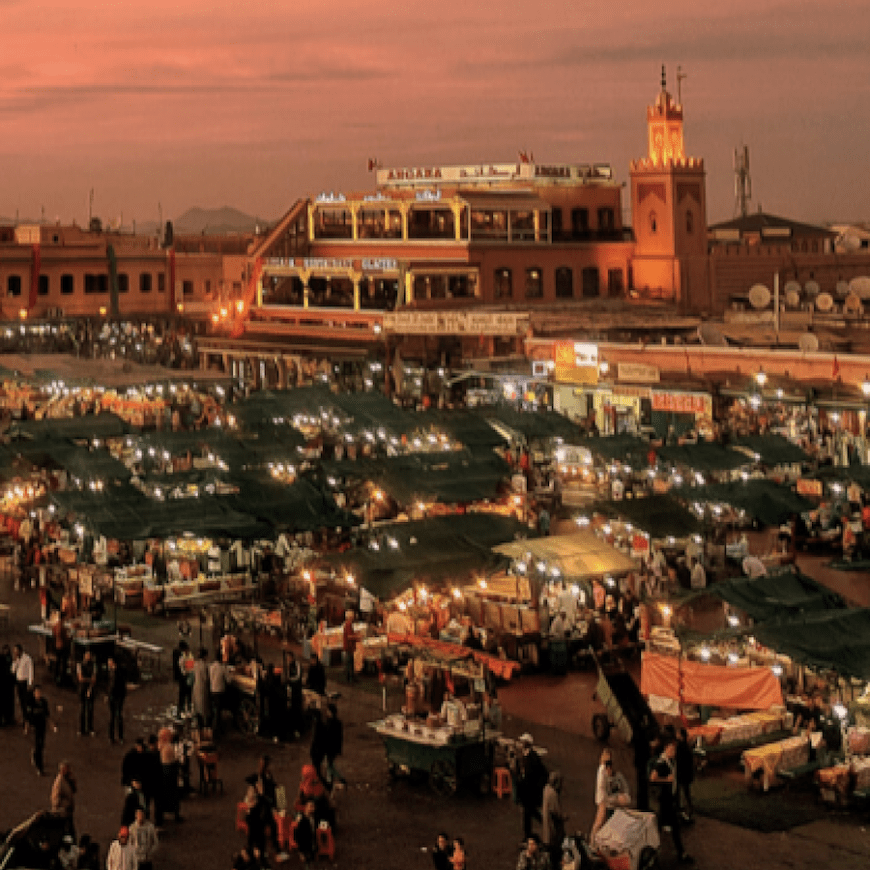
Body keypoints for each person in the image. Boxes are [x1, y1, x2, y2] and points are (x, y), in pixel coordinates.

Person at [649, 738, 692, 864]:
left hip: (669, 801)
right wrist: (666, 780)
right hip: (665, 802)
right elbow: (653, 778)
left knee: (668, 828)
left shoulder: (670, 762)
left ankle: (656, 854)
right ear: (666, 749)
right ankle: (657, 854)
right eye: (672, 749)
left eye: (674, 750)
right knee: (667, 828)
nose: (674, 752)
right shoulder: (662, 763)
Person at [516, 733, 548, 840]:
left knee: (528, 814)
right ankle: (531, 832)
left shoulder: (532, 758)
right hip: (527, 792)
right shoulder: (526, 756)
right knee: (530, 813)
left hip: (530, 792)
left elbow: (535, 775)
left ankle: (528, 835)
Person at [28, 684, 57, 776]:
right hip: (35, 726)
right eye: (36, 692)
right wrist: (27, 726)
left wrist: (51, 725)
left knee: (41, 744)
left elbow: (47, 714)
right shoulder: (31, 702)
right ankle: (39, 767)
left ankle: (35, 756)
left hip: (42, 726)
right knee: (38, 745)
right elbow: (28, 716)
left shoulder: (44, 702)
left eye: (39, 692)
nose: (38, 694)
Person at [541, 771, 566, 870]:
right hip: (553, 830)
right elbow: (557, 813)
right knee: (555, 852)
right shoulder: (553, 794)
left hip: (547, 826)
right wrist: (564, 816)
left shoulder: (546, 789)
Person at [51, 760, 77, 839]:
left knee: (69, 830)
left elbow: (75, 790)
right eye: (66, 769)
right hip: (62, 812)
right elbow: (55, 798)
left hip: (68, 811)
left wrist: (72, 780)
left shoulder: (67, 780)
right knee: (67, 830)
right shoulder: (59, 782)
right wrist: (57, 809)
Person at [323, 702, 346, 790]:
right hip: (333, 748)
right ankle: (337, 779)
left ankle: (332, 781)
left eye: (328, 711)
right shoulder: (335, 722)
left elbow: (331, 737)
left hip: (330, 748)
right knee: (330, 765)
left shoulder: (331, 723)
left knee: (329, 765)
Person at [675, 727, 695, 822]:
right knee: (686, 792)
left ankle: (683, 809)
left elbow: (680, 761)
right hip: (686, 773)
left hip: (681, 773)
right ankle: (688, 807)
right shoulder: (686, 747)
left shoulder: (680, 747)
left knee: (680, 791)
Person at [12, 643, 34, 726]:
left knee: (27, 701)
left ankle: (29, 719)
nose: (15, 653)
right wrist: (15, 661)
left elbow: (30, 671)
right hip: (18, 682)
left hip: (25, 682)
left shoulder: (27, 658)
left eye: (16, 651)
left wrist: (30, 683)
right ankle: (25, 718)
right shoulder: (17, 659)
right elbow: (13, 670)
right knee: (21, 701)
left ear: (20, 650)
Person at [76, 649, 97, 736]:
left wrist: (87, 680)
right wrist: (89, 680)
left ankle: (90, 728)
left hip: (90, 689)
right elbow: (80, 678)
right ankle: (82, 729)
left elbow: (93, 678)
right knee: (82, 709)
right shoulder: (80, 664)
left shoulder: (93, 665)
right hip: (83, 689)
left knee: (90, 710)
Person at [107, 657, 127, 745]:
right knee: (114, 716)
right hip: (116, 697)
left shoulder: (117, 673)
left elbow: (114, 685)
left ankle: (117, 736)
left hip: (117, 697)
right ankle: (115, 736)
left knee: (116, 716)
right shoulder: (114, 672)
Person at [293, 800, 318, 867]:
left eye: (313, 807)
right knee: (307, 862)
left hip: (311, 844)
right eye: (310, 807)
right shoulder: (302, 820)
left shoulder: (313, 818)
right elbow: (297, 836)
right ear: (306, 808)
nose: (312, 809)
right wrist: (301, 852)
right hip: (305, 846)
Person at [208, 655, 227, 737]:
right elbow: (229, 680)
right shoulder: (222, 668)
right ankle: (217, 730)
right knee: (218, 712)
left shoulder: (210, 667)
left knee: (214, 710)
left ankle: (213, 728)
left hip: (212, 691)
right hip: (220, 692)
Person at [191, 648, 210, 729]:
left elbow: (185, 666)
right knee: (203, 707)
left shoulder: (194, 663)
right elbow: (206, 678)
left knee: (196, 706)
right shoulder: (205, 665)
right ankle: (203, 726)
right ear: (205, 656)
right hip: (203, 687)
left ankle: (196, 723)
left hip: (195, 686)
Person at [342, 610, 357, 684]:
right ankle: (350, 679)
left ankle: (350, 677)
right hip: (349, 646)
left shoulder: (348, 624)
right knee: (349, 663)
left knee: (350, 663)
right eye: (353, 615)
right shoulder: (348, 625)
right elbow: (349, 636)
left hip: (349, 646)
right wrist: (357, 637)